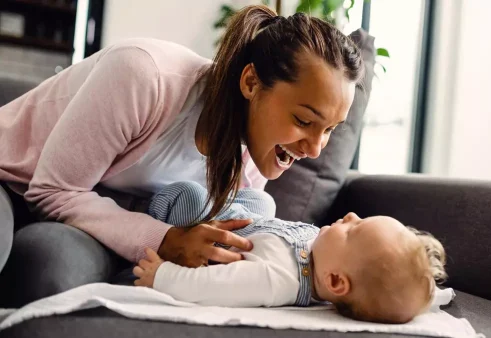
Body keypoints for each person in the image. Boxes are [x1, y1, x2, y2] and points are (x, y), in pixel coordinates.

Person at [0, 4, 363, 306]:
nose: (316, 148)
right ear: (251, 83)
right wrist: (168, 239)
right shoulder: (144, 76)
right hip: (14, 182)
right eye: (303, 120)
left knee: (55, 265)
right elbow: (50, 190)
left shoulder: (255, 154)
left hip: (93, 224)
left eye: (329, 129)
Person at [133, 181, 448, 324]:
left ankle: (144, 205)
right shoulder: (323, 254)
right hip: (252, 222)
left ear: (336, 281)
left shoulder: (276, 279)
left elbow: (210, 287)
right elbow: (400, 284)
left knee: (188, 195)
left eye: (353, 231)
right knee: (262, 201)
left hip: (203, 237)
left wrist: (161, 274)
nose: (351, 217)